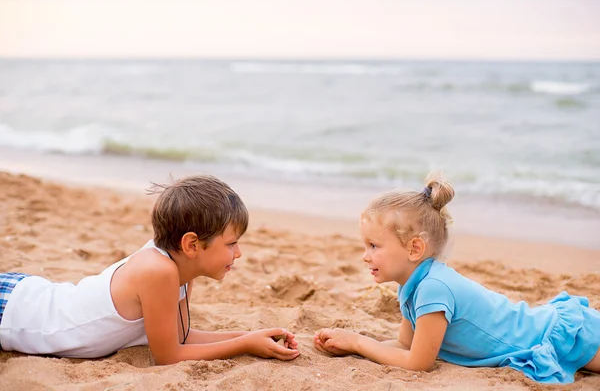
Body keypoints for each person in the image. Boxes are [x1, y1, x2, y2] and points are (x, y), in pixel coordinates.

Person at [314, 172, 600, 384]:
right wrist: (351, 344)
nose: (365, 256)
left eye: (374, 246)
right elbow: (405, 346)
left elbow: (418, 362)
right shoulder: (414, 286)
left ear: (414, 248)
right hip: (549, 331)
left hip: (560, 337)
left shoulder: (433, 289)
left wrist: (359, 343)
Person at [0, 175, 299, 364]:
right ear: (192, 244)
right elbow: (168, 356)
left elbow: (180, 338)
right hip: (15, 312)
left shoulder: (179, 266)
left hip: (28, 295)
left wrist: (251, 335)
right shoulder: (158, 271)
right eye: (232, 244)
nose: (239, 253)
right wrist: (244, 345)